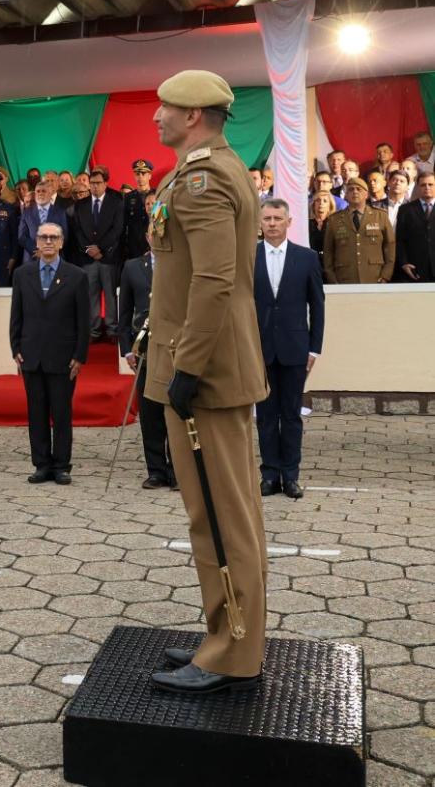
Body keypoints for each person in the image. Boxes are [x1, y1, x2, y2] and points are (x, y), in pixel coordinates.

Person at [144, 70, 268, 695]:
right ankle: (223, 630)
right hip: (203, 364)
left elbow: (214, 282)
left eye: (165, 108)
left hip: (207, 372)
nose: (156, 116)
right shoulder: (206, 170)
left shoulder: (203, 179)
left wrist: (186, 367)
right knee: (216, 513)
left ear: (194, 115)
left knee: (223, 517)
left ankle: (232, 651)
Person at [254, 199, 324, 501]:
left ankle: (291, 476)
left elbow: (317, 306)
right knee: (266, 415)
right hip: (259, 350)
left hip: (296, 349)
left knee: (291, 415)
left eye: (277, 218)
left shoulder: (306, 258)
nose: (271, 223)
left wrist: (315, 348)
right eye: (267, 218)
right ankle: (269, 475)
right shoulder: (248, 256)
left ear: (288, 222)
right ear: (259, 222)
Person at [11, 223, 90, 486]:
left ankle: (61, 466)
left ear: (61, 242)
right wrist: (16, 348)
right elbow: (16, 315)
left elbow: (83, 321)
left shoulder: (77, 276)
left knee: (61, 412)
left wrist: (80, 355)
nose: (47, 241)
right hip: (31, 355)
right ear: (36, 241)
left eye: (53, 237)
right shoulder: (23, 275)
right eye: (43, 237)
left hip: (63, 357)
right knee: (36, 413)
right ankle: (42, 464)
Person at [119, 233, 174, 490]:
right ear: (147, 237)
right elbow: (125, 312)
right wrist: (127, 350)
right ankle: (156, 470)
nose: (158, 237)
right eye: (154, 233)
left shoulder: (180, 263)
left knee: (174, 409)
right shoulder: (132, 267)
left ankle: (177, 470)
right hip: (144, 350)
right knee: (150, 412)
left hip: (174, 349)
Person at [71, 167, 124, 341]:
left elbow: (117, 230)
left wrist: (100, 249)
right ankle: (93, 330)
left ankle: (112, 330)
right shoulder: (81, 204)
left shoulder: (116, 201)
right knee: (90, 295)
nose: (94, 186)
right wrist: (89, 249)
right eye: (92, 183)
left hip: (108, 257)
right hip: (87, 258)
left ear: (106, 183)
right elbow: (78, 231)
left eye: (98, 183)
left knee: (110, 295)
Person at [322, 177, 395, 284]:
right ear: (346, 195)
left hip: (374, 277)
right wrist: (332, 278)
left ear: (366, 195)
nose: (355, 192)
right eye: (350, 189)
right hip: (344, 278)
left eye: (358, 189)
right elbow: (328, 251)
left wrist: (386, 275)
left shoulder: (380, 216)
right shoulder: (334, 219)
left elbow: (390, 246)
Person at [17, 180, 69, 263]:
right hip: (32, 259)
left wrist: (47, 251)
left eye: (43, 191)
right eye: (38, 191)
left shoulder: (60, 212)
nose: (40, 193)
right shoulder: (27, 212)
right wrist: (36, 250)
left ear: (50, 193)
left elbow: (63, 235)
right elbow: (22, 236)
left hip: (54, 259)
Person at [396, 173, 435, 282]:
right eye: (423, 185)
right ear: (417, 187)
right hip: (415, 269)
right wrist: (403, 263)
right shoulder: (405, 210)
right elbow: (400, 240)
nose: (427, 187)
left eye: (430, 184)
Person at [308, 191, 337, 264]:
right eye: (318, 200)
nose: (321, 204)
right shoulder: (307, 224)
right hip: (311, 263)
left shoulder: (335, 224)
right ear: (313, 205)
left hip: (330, 264)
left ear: (329, 207)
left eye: (325, 201)